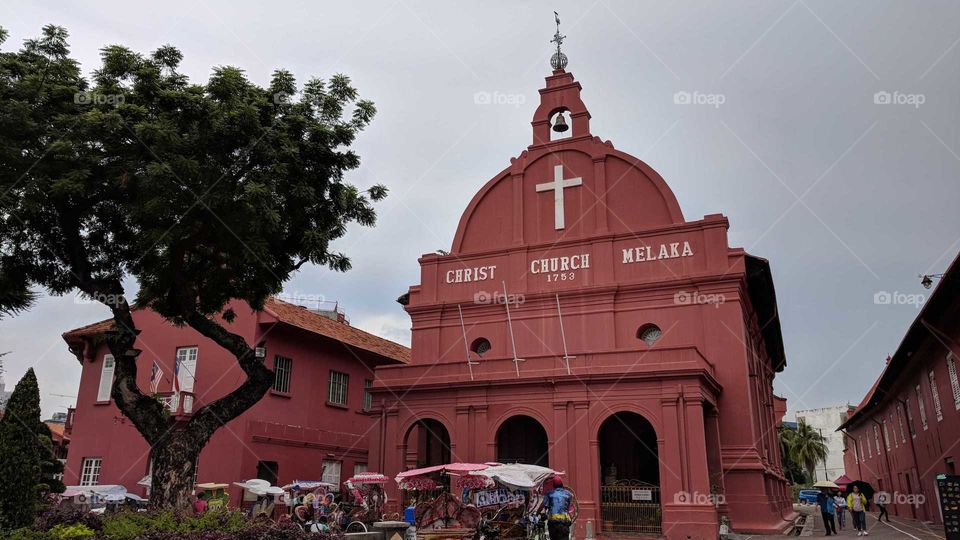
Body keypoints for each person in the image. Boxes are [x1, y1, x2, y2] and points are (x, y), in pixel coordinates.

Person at [544, 476, 572, 540]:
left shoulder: (549, 494)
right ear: (562, 484)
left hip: (553, 523)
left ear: (553, 484)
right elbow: (568, 508)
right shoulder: (568, 494)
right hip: (564, 522)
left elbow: (545, 506)